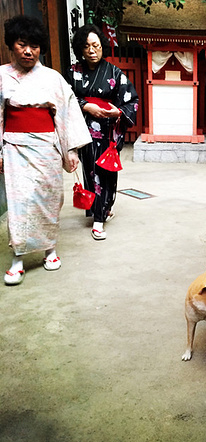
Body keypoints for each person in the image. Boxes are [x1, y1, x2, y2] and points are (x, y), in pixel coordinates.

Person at [0, 15, 91, 286]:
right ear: (11, 45)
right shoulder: (2, 76)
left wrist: (70, 151)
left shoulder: (53, 79)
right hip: (15, 147)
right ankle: (18, 258)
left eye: (35, 46)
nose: (28, 51)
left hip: (47, 147)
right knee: (19, 204)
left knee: (49, 199)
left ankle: (50, 249)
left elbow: (66, 113)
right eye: (22, 44)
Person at [66, 24, 138, 241]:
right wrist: (86, 106)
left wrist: (117, 111)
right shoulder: (72, 73)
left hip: (107, 133)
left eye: (95, 45)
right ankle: (98, 213)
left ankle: (101, 214)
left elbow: (131, 100)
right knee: (91, 173)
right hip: (82, 132)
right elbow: (65, 99)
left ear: (102, 46)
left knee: (106, 175)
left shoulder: (114, 73)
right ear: (80, 48)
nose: (91, 50)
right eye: (86, 46)